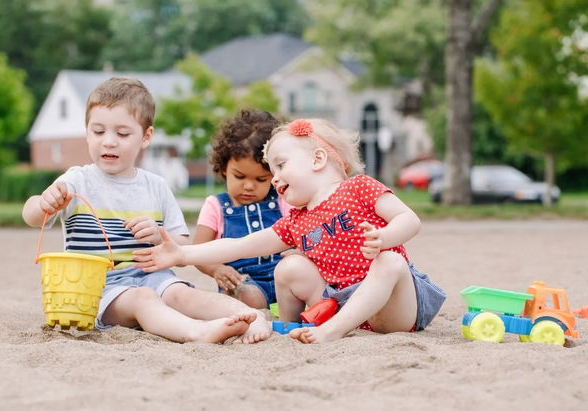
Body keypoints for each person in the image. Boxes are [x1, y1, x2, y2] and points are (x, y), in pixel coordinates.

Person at [133, 117, 446, 344]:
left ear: (318, 159)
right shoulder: (296, 220)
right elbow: (242, 245)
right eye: (273, 171)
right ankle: (288, 326)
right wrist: (182, 253)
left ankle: (332, 331)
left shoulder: (360, 188)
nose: (275, 179)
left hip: (394, 308)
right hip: (346, 305)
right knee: (289, 266)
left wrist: (385, 238)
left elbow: (410, 219)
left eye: (281, 165)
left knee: (390, 261)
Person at [22, 77, 271, 344]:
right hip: (99, 290)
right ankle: (196, 331)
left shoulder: (156, 186)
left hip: (154, 276)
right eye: (98, 132)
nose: (109, 142)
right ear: (87, 132)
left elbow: (182, 246)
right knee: (143, 299)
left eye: (122, 133)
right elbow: (32, 216)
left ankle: (251, 316)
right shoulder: (76, 181)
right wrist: (43, 202)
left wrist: (158, 235)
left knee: (181, 294)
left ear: (146, 137)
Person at [193, 109, 291, 310]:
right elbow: (198, 251)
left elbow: (302, 235)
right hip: (242, 281)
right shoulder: (216, 206)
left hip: (284, 277)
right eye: (239, 177)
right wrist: (216, 269)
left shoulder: (283, 200)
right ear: (223, 169)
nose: (248, 186)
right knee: (245, 295)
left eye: (260, 179)